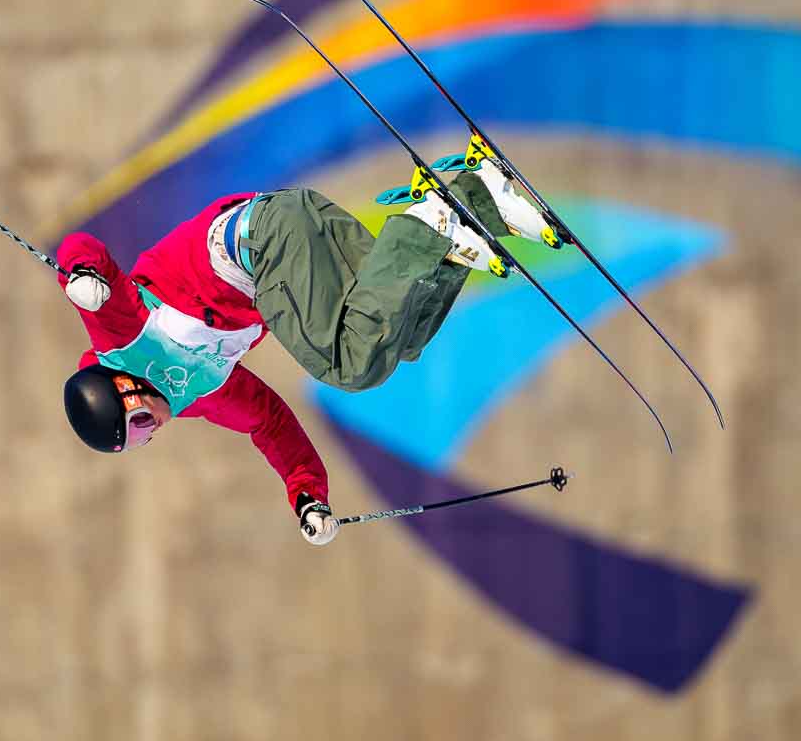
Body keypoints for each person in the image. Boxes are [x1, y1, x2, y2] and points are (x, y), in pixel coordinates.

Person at [59, 156, 551, 546]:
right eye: (145, 440)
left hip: (259, 245)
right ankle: (474, 197)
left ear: (123, 389)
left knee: (349, 365)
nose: (156, 430)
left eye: (141, 424)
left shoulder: (119, 339)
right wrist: (307, 495)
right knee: (399, 340)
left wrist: (81, 277)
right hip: (293, 230)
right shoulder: (199, 394)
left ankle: (430, 223)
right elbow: (270, 423)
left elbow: (81, 245)